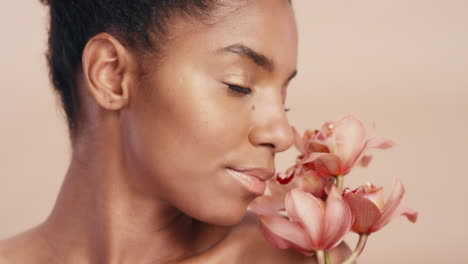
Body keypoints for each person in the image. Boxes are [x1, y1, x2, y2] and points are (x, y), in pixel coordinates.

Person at [0, 0, 351, 263]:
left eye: (283, 98)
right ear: (111, 75)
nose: (283, 134)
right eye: (238, 85)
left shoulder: (292, 259)